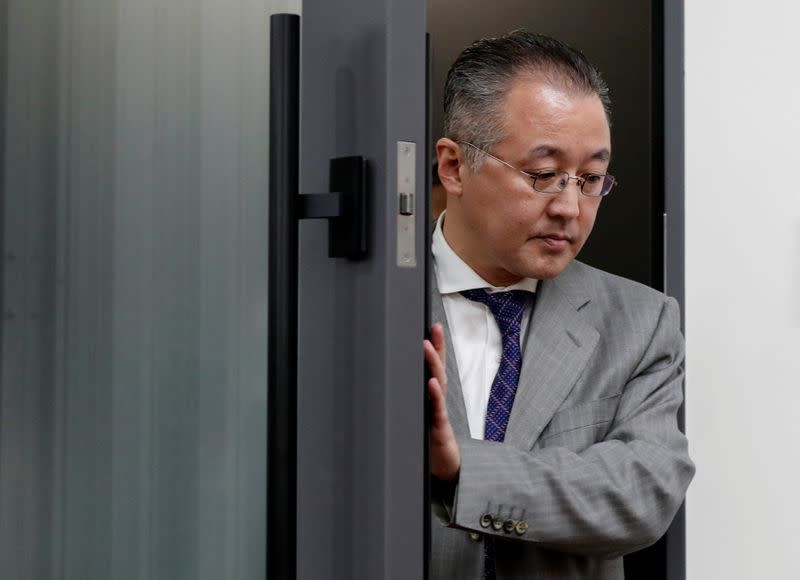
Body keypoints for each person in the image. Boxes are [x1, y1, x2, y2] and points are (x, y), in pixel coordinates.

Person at [423, 31, 695, 579]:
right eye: (544, 176)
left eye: (592, 179)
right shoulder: (362, 307)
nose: (571, 207)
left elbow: (641, 493)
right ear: (453, 167)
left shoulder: (640, 321)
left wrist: (466, 473)